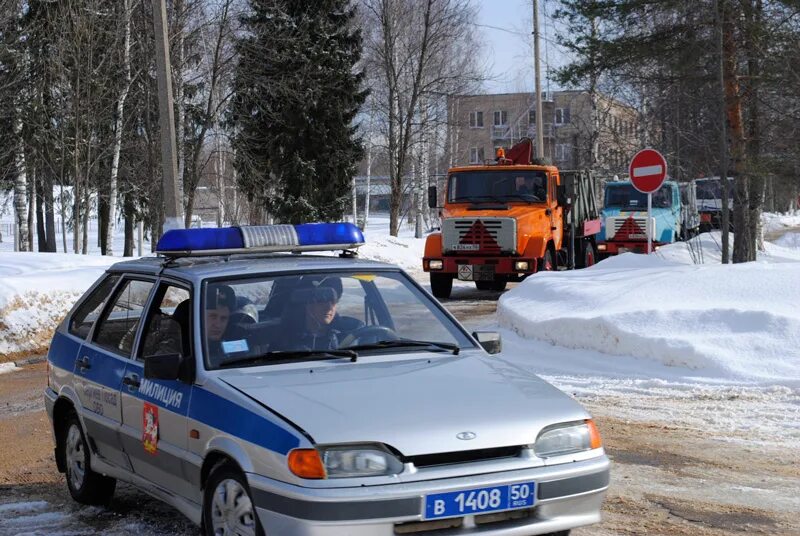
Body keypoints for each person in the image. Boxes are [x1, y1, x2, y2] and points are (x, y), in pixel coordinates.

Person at [277, 286, 341, 352]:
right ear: (308, 305)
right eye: (322, 302)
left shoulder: (343, 335)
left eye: (333, 302)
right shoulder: (285, 340)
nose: (329, 308)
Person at [205, 284, 235, 364]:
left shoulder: (234, 344)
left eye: (223, 318)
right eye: (213, 317)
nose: (218, 325)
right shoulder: (184, 347)